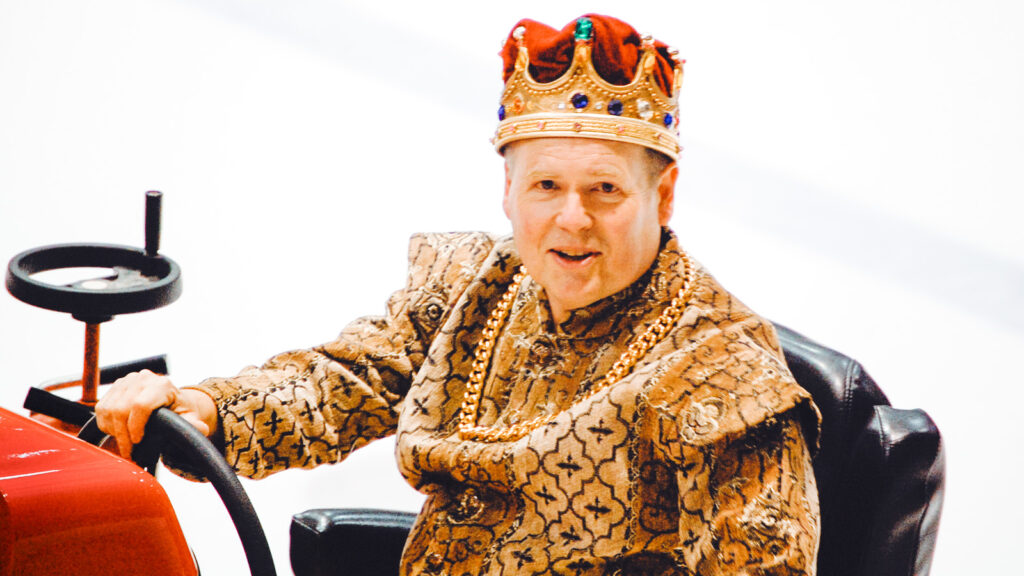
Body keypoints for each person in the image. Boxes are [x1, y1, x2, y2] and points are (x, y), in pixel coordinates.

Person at [97, 14, 821, 576]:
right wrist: (211, 411)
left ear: (663, 195)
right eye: (546, 186)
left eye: (605, 190)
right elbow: (348, 379)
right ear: (507, 191)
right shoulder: (471, 289)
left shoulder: (725, 381)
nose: (572, 218)